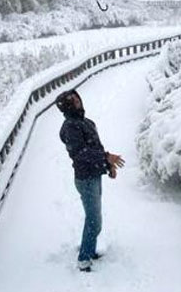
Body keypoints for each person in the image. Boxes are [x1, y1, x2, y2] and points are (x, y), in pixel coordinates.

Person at [56, 89, 125, 272]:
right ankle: (84, 258)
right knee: (94, 219)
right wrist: (107, 157)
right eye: (71, 100)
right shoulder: (71, 127)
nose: (76, 101)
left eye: (76, 97)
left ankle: (89, 248)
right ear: (66, 106)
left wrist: (108, 166)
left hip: (94, 175)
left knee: (95, 219)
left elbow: (96, 147)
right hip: (85, 179)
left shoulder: (86, 122)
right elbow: (80, 154)